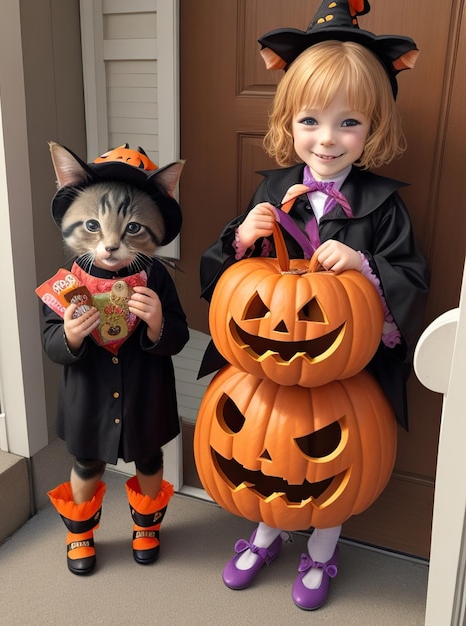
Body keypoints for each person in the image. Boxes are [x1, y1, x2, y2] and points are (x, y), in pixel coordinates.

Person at [199, 0, 429, 611]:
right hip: (267, 377)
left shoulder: (382, 207)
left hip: (343, 381)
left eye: (348, 122)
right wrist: (243, 238)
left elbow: (411, 277)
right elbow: (227, 280)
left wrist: (364, 267)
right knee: (261, 457)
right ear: (288, 120)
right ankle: (265, 534)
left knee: (329, 469)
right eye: (310, 120)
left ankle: (321, 554)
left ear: (374, 127)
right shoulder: (274, 191)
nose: (327, 139)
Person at [40, 143, 189, 575]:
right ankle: (80, 532)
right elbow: (50, 341)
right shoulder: (68, 280)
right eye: (92, 226)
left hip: (145, 393)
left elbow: (177, 336)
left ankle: (147, 525)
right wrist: (68, 334)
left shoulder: (156, 275)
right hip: (88, 397)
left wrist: (158, 322)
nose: (109, 244)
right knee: (87, 462)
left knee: (149, 459)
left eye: (134, 230)